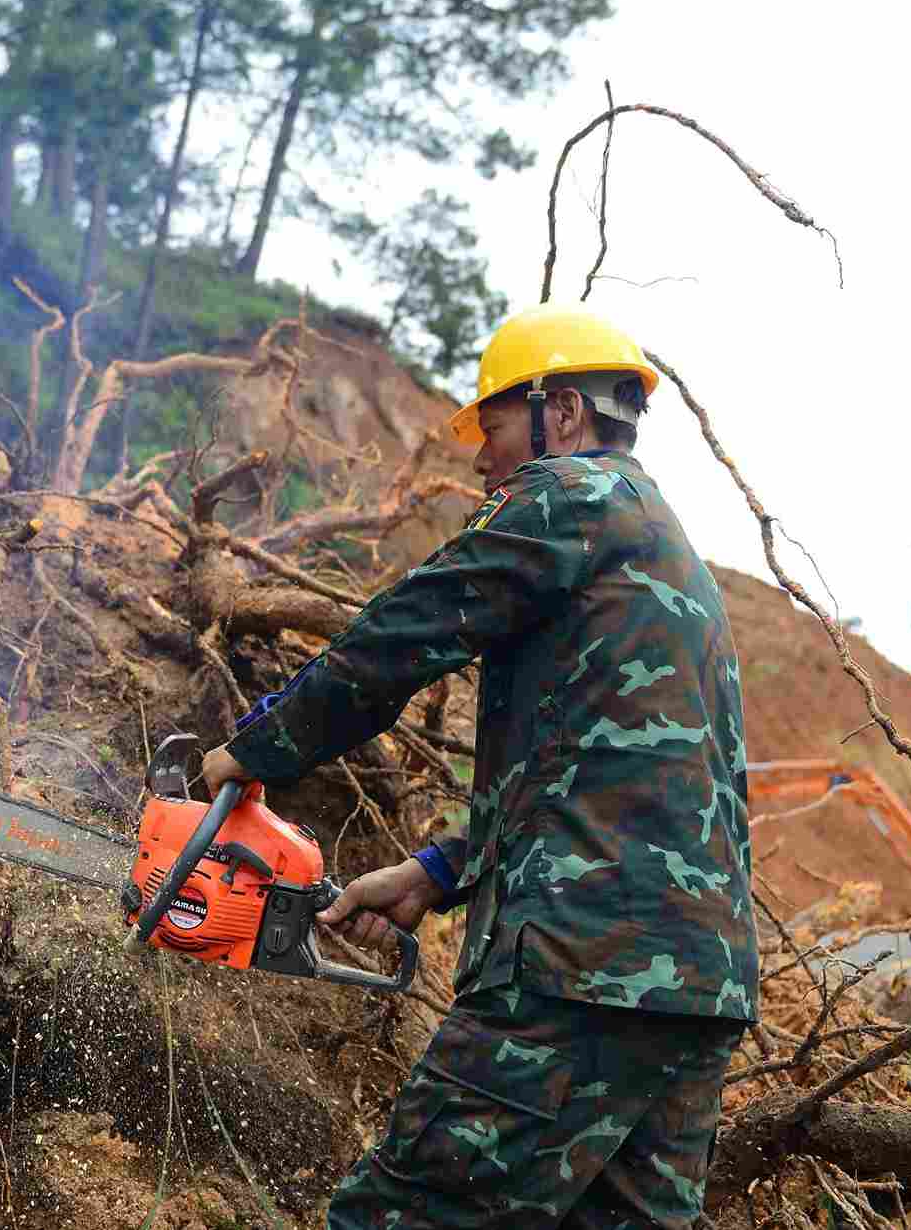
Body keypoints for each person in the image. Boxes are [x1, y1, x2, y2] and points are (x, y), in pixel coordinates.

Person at [197, 302, 760, 1228]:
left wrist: (251, 751)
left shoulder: (573, 498)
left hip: (582, 972)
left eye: (493, 426)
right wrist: (436, 870)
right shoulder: (665, 555)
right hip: (693, 987)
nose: (481, 456)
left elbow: (407, 631)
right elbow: (613, 776)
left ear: (562, 412)